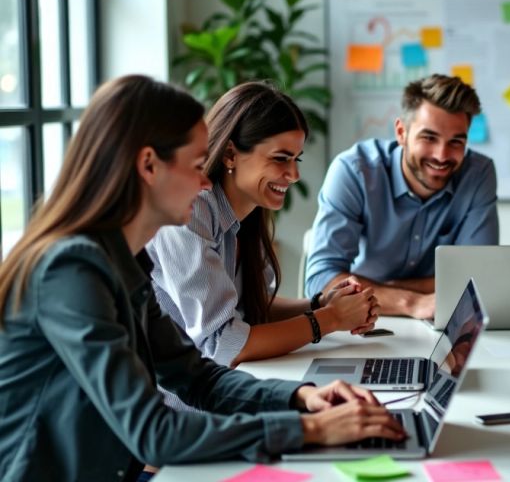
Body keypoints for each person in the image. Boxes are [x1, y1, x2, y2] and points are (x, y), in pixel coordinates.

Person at [0, 76, 404, 482]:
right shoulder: (71, 271)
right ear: (148, 166)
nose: (207, 181)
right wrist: (310, 429)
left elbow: (196, 376)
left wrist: (301, 398)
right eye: (196, 165)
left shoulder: (126, 259)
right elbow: (152, 432)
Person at [147, 82, 378, 369]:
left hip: (226, 387)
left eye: (296, 159)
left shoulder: (247, 214)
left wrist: (320, 303)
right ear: (230, 154)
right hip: (178, 404)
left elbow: (250, 308)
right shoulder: (191, 211)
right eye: (280, 159)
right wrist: (332, 319)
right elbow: (224, 342)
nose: (293, 175)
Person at [305, 74, 498, 319]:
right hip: (364, 319)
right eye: (429, 138)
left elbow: (478, 276)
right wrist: (412, 302)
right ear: (401, 132)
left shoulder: (478, 174)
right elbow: (320, 280)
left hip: (431, 316)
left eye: (456, 142)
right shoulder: (354, 170)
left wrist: (379, 288)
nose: (441, 155)